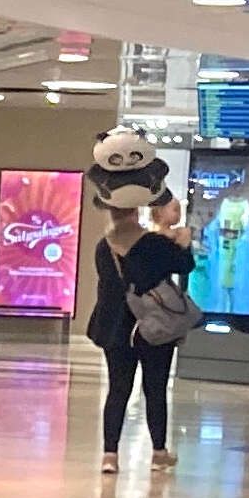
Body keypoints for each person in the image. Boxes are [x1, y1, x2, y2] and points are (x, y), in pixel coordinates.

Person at [86, 202, 196, 475]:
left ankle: (110, 455)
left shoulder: (104, 246)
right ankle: (158, 453)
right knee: (155, 390)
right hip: (154, 326)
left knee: (118, 389)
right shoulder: (154, 244)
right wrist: (184, 243)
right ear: (136, 213)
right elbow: (185, 266)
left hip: (116, 328)